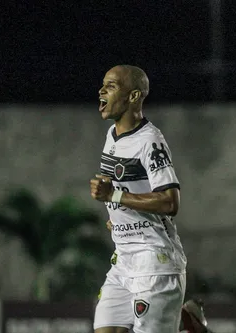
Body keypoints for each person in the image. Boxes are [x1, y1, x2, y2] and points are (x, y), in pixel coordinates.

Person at [90, 65, 187, 333]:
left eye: (111, 86)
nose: (101, 90)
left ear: (133, 96)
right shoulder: (112, 136)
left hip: (154, 260)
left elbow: (170, 202)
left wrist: (114, 196)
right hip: (122, 260)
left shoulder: (150, 141)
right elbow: (128, 192)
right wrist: (117, 216)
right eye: (103, 84)